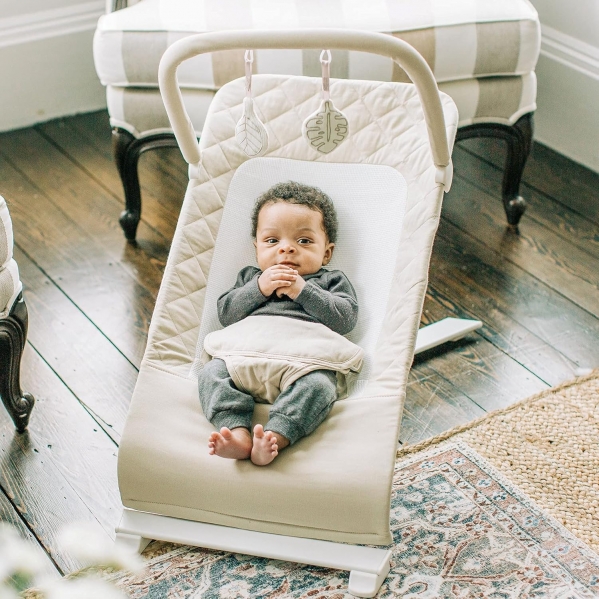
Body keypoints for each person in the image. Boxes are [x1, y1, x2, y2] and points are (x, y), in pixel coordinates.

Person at [198, 181, 360, 465]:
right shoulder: (250, 278)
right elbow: (226, 314)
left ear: (326, 253)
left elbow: (345, 319)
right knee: (211, 373)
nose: (287, 249)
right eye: (272, 241)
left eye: (304, 241)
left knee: (320, 386)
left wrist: (304, 291)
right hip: (244, 359)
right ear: (257, 248)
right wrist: (259, 288)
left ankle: (276, 435)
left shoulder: (330, 280)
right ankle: (236, 432)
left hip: (303, 364)